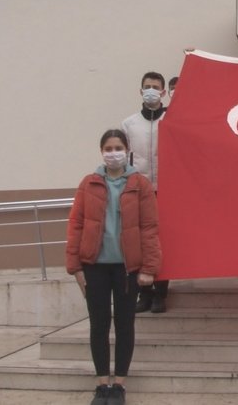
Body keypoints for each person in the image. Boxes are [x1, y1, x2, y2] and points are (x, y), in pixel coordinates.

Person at [65, 129, 161, 405]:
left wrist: (149, 267)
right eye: (108, 148)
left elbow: (150, 227)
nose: (113, 152)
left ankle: (119, 384)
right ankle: (101, 384)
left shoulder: (139, 184)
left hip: (127, 269)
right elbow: (76, 225)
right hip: (94, 266)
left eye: (118, 147)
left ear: (127, 150)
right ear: (101, 152)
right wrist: (75, 267)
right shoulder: (89, 184)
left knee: (125, 324)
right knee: (98, 324)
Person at [121, 71, 171, 313]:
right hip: (140, 190)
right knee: (141, 242)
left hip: (167, 190)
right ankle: (144, 293)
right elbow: (123, 157)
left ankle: (162, 292)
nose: (151, 90)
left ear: (163, 92)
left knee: (162, 242)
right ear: (140, 91)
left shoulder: (173, 118)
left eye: (155, 87)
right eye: (147, 86)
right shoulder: (129, 124)